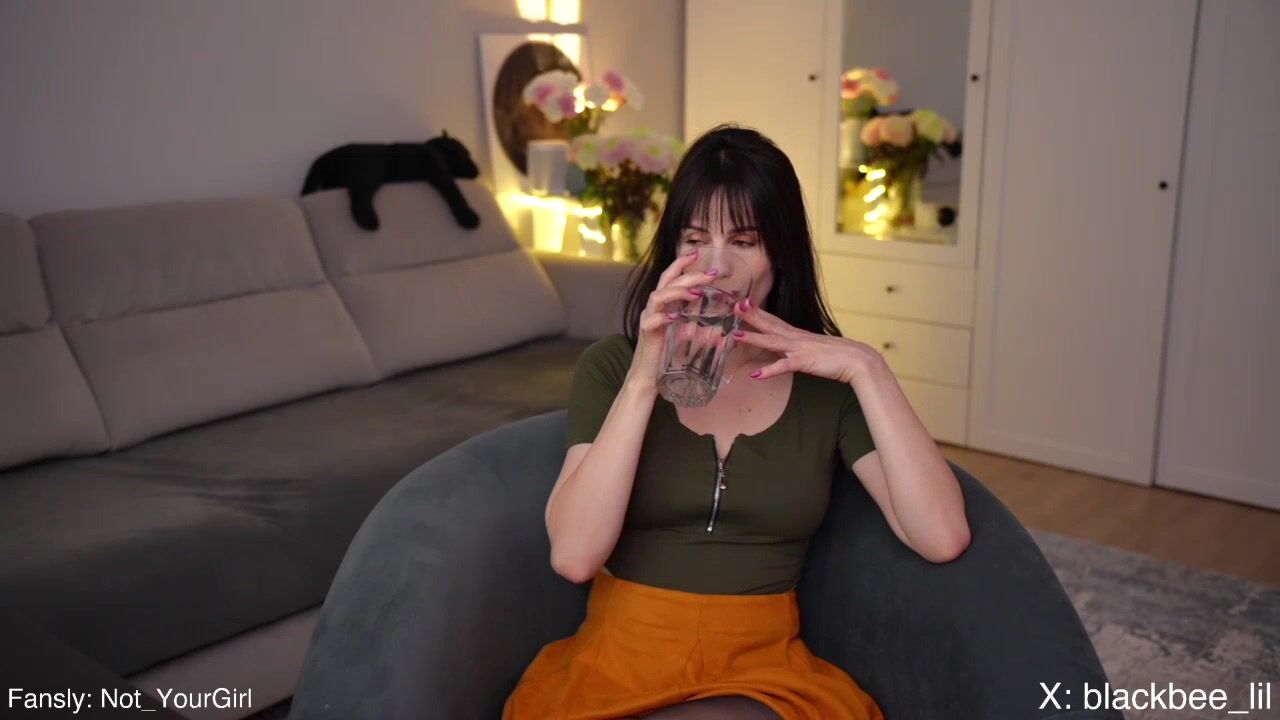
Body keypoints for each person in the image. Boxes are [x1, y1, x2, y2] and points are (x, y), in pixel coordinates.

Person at [502, 124, 972, 719]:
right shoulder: (613, 367)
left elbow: (941, 537)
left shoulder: (828, 388)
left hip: (761, 672)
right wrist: (645, 376)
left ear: (781, 252)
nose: (717, 267)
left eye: (745, 241)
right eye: (696, 239)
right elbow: (574, 557)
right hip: (618, 661)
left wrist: (866, 366)